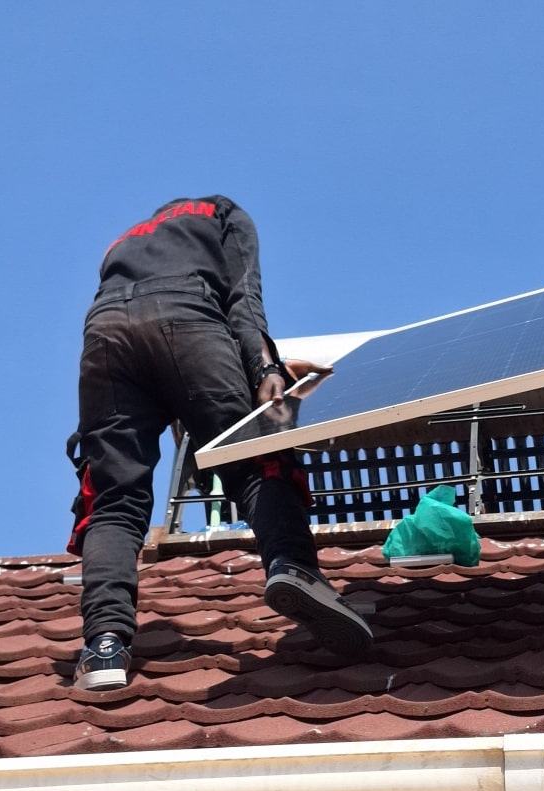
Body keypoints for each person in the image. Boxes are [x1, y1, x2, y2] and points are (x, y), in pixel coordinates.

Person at [67, 195, 372, 692]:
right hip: (186, 315)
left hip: (103, 333)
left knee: (113, 501)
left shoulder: (124, 241)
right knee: (256, 462)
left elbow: (131, 319)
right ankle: (293, 566)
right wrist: (264, 368)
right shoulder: (224, 215)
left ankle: (104, 645)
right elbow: (244, 299)